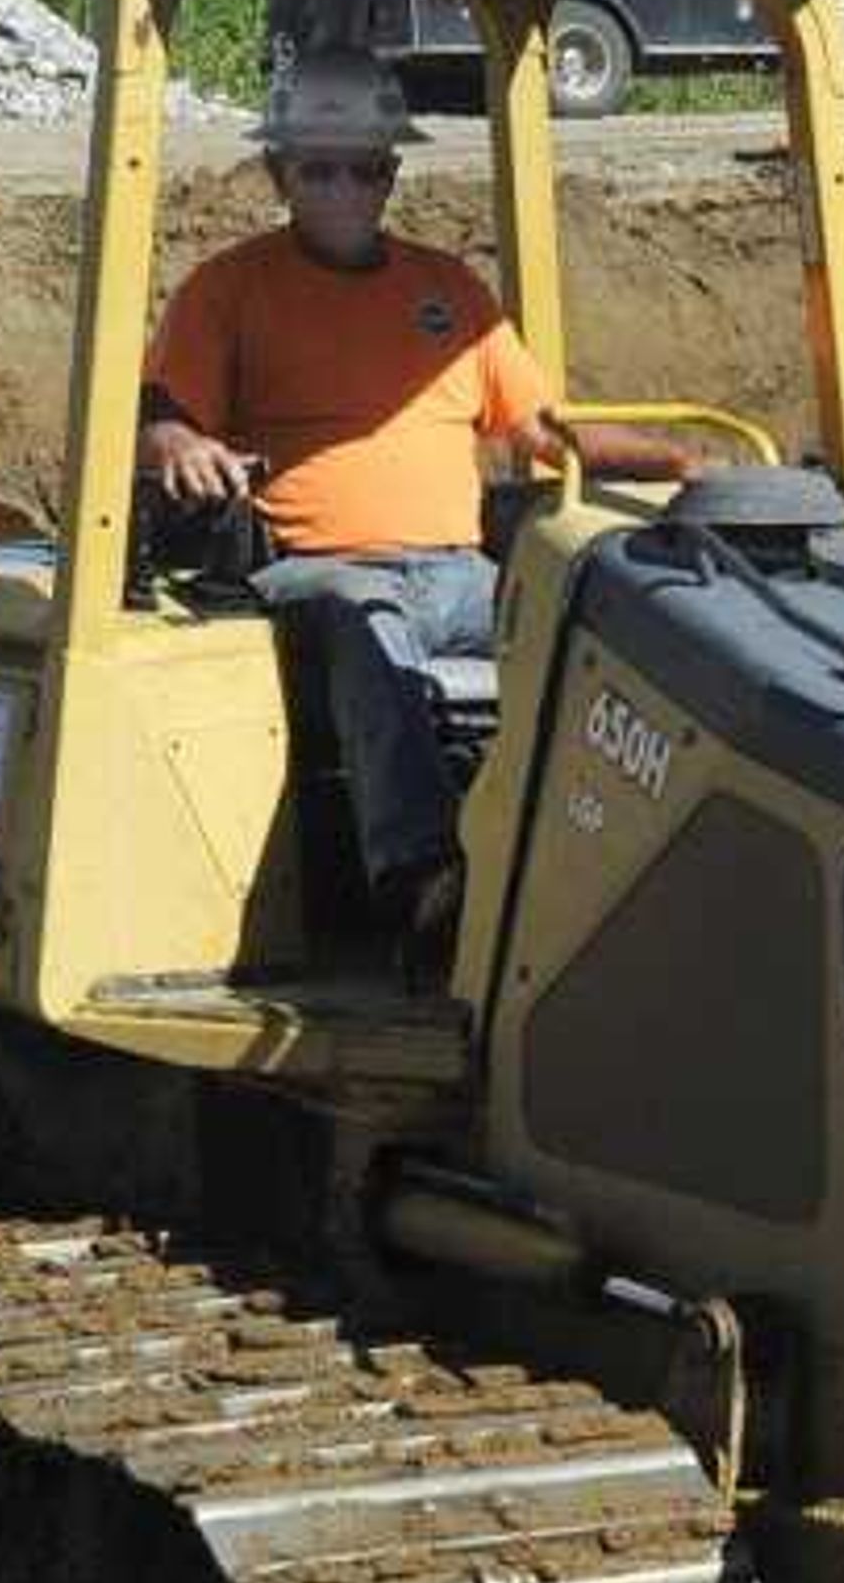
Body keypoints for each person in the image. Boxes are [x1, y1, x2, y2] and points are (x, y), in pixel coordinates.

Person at [137, 47, 681, 964]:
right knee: (367, 618)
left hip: (458, 576)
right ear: (278, 172)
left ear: (392, 173)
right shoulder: (231, 290)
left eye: (363, 168)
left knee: (594, 609)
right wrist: (183, 447)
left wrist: (681, 461)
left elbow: (546, 432)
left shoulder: (451, 294)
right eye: (318, 169)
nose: (342, 188)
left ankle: (606, 860)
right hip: (316, 577)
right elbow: (159, 422)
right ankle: (423, 878)